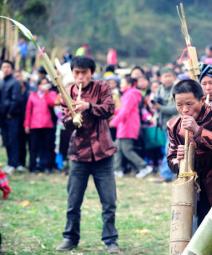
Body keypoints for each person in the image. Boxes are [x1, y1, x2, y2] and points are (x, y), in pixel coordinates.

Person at [56, 56, 120, 254]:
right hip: (78, 155)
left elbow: (109, 109)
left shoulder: (102, 87)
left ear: (91, 73)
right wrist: (71, 118)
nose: (80, 77)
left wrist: (88, 107)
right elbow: (64, 121)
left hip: (103, 154)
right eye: (76, 73)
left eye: (84, 73)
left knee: (109, 202)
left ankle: (110, 241)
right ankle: (70, 237)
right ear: (72, 73)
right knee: (73, 201)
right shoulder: (67, 91)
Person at [167, 79, 212, 225]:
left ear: (202, 100)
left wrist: (198, 130)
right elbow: (171, 159)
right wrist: (180, 160)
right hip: (195, 187)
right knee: (196, 231)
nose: (184, 110)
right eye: (179, 105)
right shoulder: (174, 125)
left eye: (189, 104)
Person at [111, 76, 152, 178]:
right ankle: (117, 170)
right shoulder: (128, 94)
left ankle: (144, 167)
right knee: (117, 148)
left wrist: (114, 122)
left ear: (129, 84)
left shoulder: (131, 94)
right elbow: (122, 110)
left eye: (122, 83)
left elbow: (125, 111)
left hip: (128, 126)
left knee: (127, 150)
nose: (120, 85)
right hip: (124, 126)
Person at [24, 77, 57, 173]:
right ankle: (33, 166)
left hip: (48, 125)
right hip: (34, 126)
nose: (44, 86)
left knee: (48, 147)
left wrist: (46, 93)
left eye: (46, 83)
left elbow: (52, 103)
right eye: (42, 83)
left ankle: (47, 166)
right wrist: (27, 124)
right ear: (38, 85)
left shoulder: (52, 94)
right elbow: (28, 111)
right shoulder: (32, 95)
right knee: (33, 147)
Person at [0, 60, 21, 174]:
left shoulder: (15, 83)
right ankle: (9, 162)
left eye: (8, 67)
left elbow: (16, 100)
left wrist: (9, 112)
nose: (5, 69)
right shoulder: (2, 82)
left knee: (13, 140)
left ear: (11, 69)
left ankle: (14, 164)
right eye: (4, 67)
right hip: (3, 117)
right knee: (6, 140)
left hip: (11, 117)